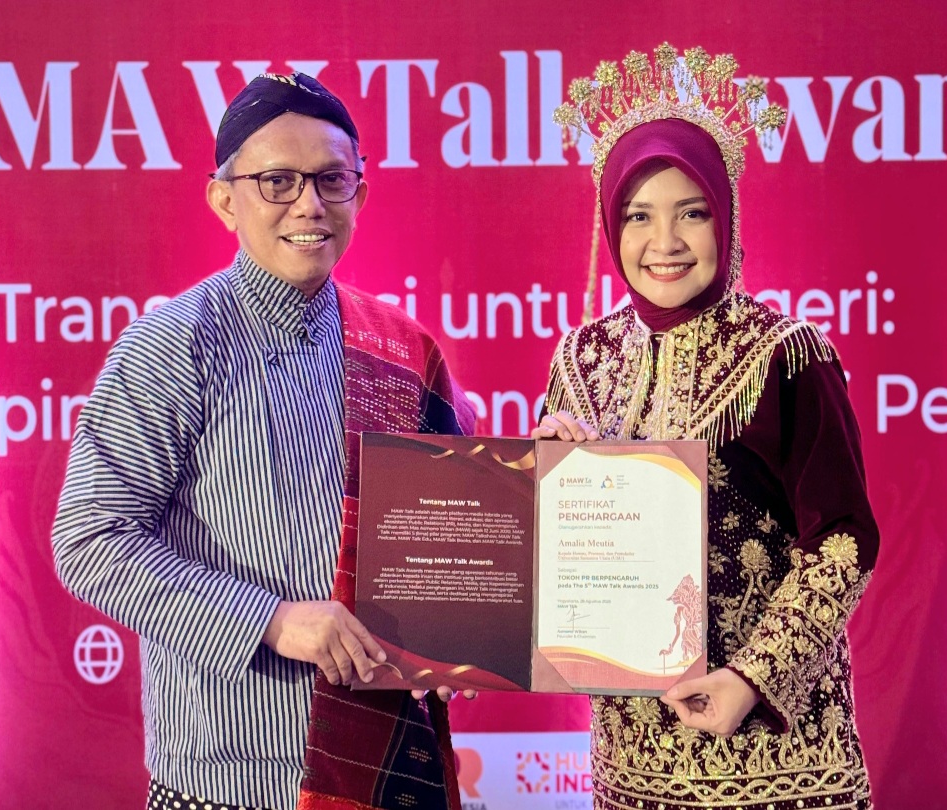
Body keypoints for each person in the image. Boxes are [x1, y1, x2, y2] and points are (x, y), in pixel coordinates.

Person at [52, 72, 476, 810]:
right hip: (230, 774)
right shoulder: (172, 346)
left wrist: (555, 470)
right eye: (277, 181)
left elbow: (465, 524)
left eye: (331, 179)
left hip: (387, 767)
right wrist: (272, 621)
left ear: (360, 194)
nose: (308, 205)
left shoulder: (404, 348)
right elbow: (90, 539)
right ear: (224, 199)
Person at [538, 45, 879, 809]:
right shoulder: (581, 358)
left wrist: (753, 677)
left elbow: (845, 539)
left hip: (777, 758)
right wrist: (544, 485)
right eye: (639, 216)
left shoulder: (785, 354)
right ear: (610, 225)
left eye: (691, 212)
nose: (665, 242)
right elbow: (564, 565)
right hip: (633, 762)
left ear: (725, 216)